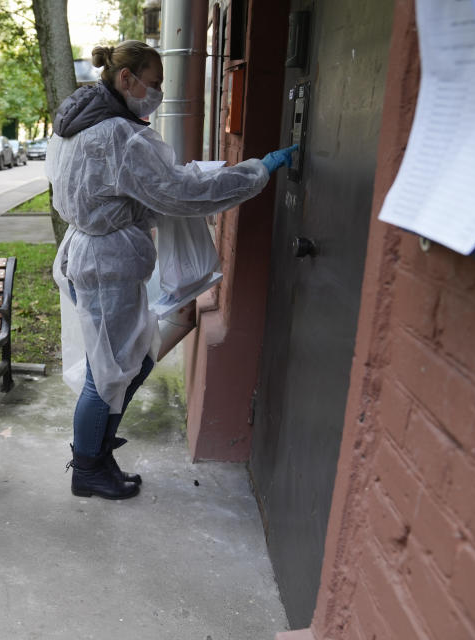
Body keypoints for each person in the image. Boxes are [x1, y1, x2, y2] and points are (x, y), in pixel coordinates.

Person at [48, 40, 296, 500]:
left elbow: (141, 186)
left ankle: (98, 453)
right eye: (155, 83)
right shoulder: (119, 135)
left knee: (131, 361)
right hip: (107, 264)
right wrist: (256, 171)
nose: (158, 92)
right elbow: (180, 194)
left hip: (96, 255)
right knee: (107, 374)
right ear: (127, 79)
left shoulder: (80, 124)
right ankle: (88, 467)